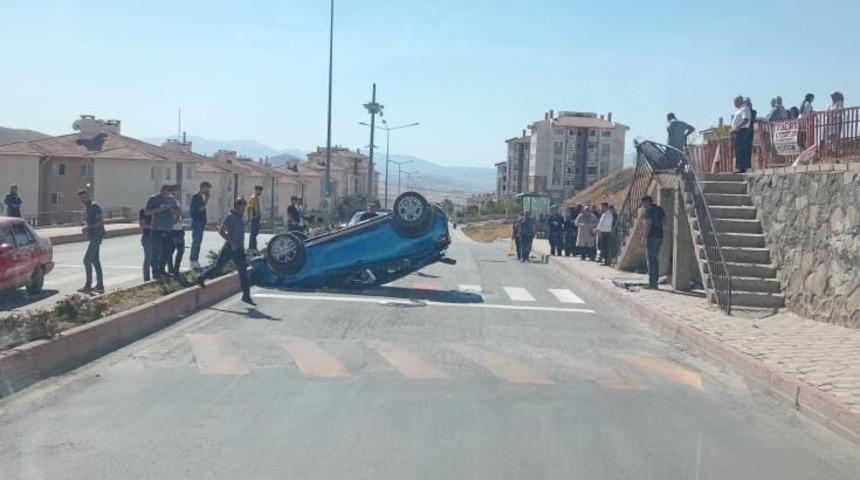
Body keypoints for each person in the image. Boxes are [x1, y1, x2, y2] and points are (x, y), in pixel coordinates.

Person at [197, 197, 255, 305]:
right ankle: (201, 277)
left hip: (240, 249)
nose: (243, 210)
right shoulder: (230, 217)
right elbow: (220, 231)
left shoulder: (241, 218)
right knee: (218, 267)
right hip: (229, 248)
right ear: (236, 206)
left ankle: (246, 295)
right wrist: (231, 242)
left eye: (244, 207)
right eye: (241, 207)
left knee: (243, 272)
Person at [145, 184, 180, 280]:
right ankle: (155, 272)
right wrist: (161, 208)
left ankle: (162, 270)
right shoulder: (153, 199)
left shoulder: (172, 199)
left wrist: (173, 212)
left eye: (168, 192)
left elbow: (178, 212)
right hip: (157, 229)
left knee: (167, 251)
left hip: (168, 229)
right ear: (161, 190)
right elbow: (147, 212)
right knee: (156, 251)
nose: (167, 194)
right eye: (165, 191)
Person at [77, 188, 105, 293]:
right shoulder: (88, 208)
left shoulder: (94, 206)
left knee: (87, 260)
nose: (82, 200)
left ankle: (88, 285)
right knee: (95, 260)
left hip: (97, 236)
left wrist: (88, 228)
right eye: (81, 198)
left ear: (88, 196)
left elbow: (100, 222)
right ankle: (100, 285)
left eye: (84, 197)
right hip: (93, 236)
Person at [641, 195, 665, 290]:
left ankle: (652, 284)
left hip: (651, 238)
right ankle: (655, 282)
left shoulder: (648, 211)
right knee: (655, 260)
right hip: (660, 236)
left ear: (647, 202)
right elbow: (664, 221)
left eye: (643, 203)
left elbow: (648, 225)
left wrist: (644, 236)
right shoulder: (660, 209)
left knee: (651, 261)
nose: (643, 205)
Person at [189, 181, 210, 270]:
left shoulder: (201, 198)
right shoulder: (196, 197)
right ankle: (192, 259)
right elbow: (201, 209)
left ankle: (195, 259)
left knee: (199, 241)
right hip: (197, 222)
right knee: (196, 241)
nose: (207, 190)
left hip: (201, 222)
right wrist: (207, 200)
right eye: (207, 188)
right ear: (202, 187)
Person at [731, 95, 753, 173]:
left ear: (740, 101)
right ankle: (739, 167)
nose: (734, 104)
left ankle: (742, 167)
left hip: (742, 130)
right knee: (738, 149)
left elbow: (746, 119)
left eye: (735, 102)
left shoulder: (745, 108)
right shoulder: (739, 109)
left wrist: (737, 127)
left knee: (742, 149)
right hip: (738, 131)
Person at [168, 185, 185, 276]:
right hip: (173, 230)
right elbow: (177, 214)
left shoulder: (177, 201)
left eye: (178, 191)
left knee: (178, 250)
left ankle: (174, 269)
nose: (177, 193)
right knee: (173, 250)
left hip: (178, 229)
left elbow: (180, 214)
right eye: (176, 191)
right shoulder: (170, 202)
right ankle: (173, 270)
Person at [247, 185, 263, 251]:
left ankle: (254, 247)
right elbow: (249, 208)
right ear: (256, 190)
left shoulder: (257, 198)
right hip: (254, 218)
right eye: (260, 191)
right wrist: (249, 218)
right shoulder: (253, 198)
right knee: (253, 234)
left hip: (257, 218)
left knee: (255, 233)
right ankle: (251, 247)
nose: (261, 192)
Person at [139, 207, 153, 282]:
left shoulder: (160, 209)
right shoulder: (143, 211)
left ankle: (156, 276)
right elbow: (142, 224)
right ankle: (146, 279)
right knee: (148, 258)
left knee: (156, 259)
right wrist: (153, 227)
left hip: (158, 238)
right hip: (147, 237)